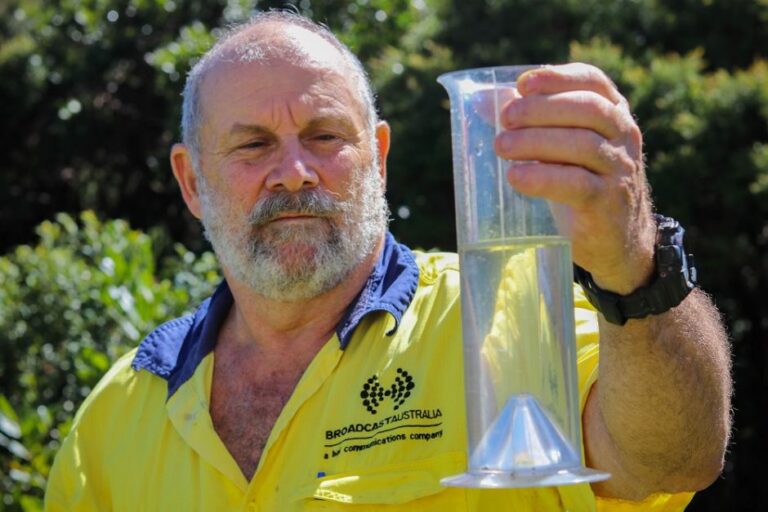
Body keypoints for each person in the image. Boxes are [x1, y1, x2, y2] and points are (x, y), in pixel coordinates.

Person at [44, 11, 732, 511]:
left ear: (378, 156)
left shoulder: (503, 321)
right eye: (252, 145)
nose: (294, 173)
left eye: (324, 135)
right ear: (192, 182)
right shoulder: (115, 417)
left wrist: (634, 268)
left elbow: (671, 458)